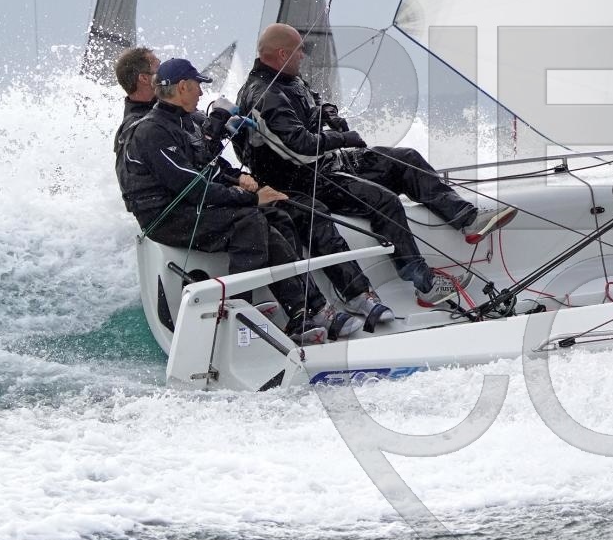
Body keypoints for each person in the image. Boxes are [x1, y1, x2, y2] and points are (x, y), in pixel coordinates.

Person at [234, 23, 513, 307]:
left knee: (406, 159)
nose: (303, 55)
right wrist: (343, 138)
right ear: (282, 54)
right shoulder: (263, 95)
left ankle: (466, 219)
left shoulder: (287, 78)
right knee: (385, 201)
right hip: (303, 181)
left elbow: (312, 101)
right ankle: (425, 285)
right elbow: (298, 147)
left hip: (327, 163)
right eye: (299, 51)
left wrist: (328, 113)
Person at [117, 57, 359, 341]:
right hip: (165, 217)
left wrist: (241, 180)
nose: (202, 92)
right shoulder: (151, 130)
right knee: (249, 220)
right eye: (197, 85)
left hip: (190, 206)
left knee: (276, 216)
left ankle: (304, 311)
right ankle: (238, 309)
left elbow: (208, 167)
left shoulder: (185, 121)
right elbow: (193, 187)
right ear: (182, 87)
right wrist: (251, 199)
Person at [112, 46, 159, 157]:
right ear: (144, 78)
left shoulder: (165, 109)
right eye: (159, 68)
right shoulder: (139, 130)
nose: (166, 73)